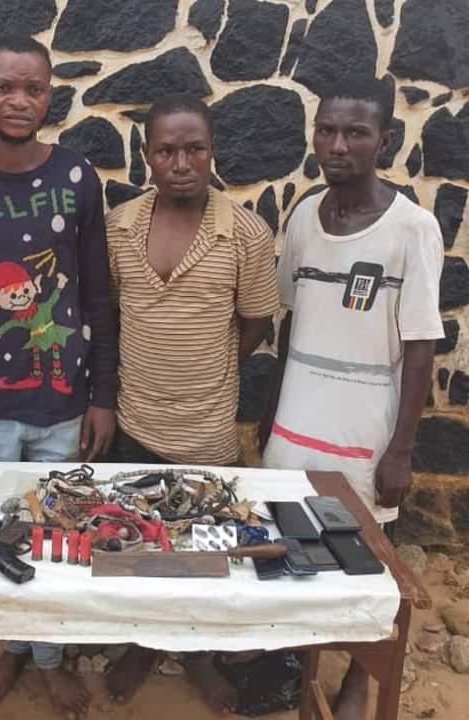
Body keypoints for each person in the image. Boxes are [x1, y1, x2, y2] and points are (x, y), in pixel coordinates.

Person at [0, 34, 117, 720]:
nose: (18, 100)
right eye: (3, 86)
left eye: (33, 88)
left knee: (55, 532)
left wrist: (102, 396)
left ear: (50, 95)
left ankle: (49, 659)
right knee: (2, 529)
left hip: (63, 404)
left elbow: (96, 294)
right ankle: (13, 648)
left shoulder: (75, 177)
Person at [261, 74, 444, 720]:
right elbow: (291, 323)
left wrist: (401, 450)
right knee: (292, 542)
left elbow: (419, 347)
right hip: (296, 420)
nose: (337, 145)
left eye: (355, 133)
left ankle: (358, 678)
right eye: (327, 131)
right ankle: (297, 658)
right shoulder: (304, 217)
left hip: (364, 427)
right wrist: (270, 416)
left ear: (385, 141)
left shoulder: (412, 229)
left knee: (360, 556)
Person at [104, 93, 280, 713]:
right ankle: (141, 644)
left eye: (194, 149)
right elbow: (114, 313)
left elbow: (255, 321)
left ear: (212, 151)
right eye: (166, 151)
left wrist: (207, 363)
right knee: (134, 542)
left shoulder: (246, 233)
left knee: (204, 549)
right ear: (147, 155)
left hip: (207, 428)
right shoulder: (120, 226)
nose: (180, 164)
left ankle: (198, 653)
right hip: (135, 418)